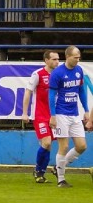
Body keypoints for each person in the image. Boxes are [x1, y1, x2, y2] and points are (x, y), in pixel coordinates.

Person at [48, 46, 92, 188]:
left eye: (79, 57)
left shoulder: (79, 71)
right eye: (75, 57)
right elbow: (51, 96)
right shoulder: (57, 73)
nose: (78, 60)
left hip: (74, 114)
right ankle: (61, 179)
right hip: (61, 114)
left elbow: (81, 92)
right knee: (64, 146)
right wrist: (53, 115)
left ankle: (58, 167)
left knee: (81, 146)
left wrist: (86, 110)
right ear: (67, 57)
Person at [21, 50, 60, 184]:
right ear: (46, 60)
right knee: (47, 142)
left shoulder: (58, 75)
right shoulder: (38, 74)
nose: (57, 62)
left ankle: (41, 173)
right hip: (40, 115)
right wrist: (24, 113)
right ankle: (38, 169)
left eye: (58, 59)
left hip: (53, 115)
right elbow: (28, 92)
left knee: (48, 146)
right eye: (54, 59)